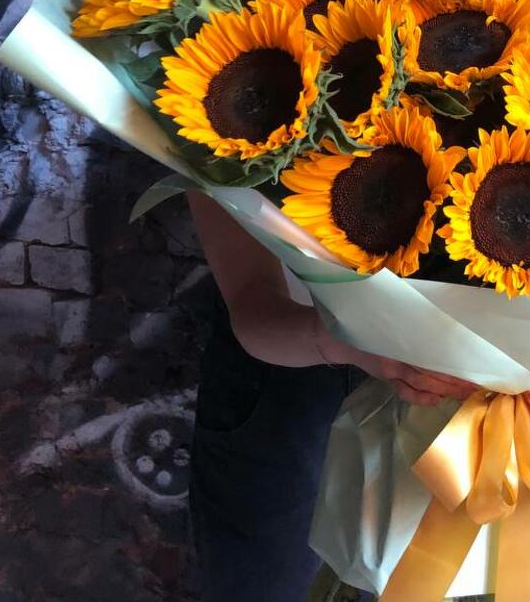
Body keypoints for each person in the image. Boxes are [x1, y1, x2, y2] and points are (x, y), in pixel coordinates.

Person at [186, 190, 477, 602]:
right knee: (273, 581)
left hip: (467, 387)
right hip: (289, 370)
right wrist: (351, 341)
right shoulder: (231, 153)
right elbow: (250, 299)